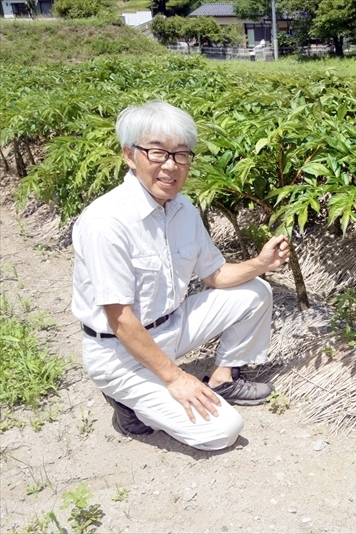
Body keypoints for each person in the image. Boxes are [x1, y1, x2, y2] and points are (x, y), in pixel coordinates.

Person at [72, 101, 290, 451]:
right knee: (223, 430)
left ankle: (222, 378)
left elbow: (216, 275)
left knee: (255, 292)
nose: (171, 166)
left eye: (181, 155)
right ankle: (127, 401)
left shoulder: (183, 208)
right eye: (157, 153)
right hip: (119, 351)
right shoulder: (106, 223)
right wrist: (176, 378)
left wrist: (260, 263)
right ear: (130, 155)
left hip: (171, 328)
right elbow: (122, 320)